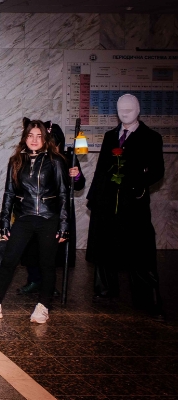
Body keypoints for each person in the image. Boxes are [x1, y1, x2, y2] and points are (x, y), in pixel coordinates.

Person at [0, 119, 68, 324]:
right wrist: (5, 222)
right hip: (24, 217)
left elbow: (62, 194)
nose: (34, 140)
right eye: (30, 135)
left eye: (39, 136)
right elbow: (9, 193)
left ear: (45, 138)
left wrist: (64, 224)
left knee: (47, 264)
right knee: (8, 260)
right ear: (25, 137)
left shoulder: (55, 160)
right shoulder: (16, 161)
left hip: (48, 218)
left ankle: (43, 306)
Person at [86, 94, 165, 320]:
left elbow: (158, 171)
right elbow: (101, 168)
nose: (125, 113)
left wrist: (137, 181)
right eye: (121, 110)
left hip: (134, 201)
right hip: (107, 201)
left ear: (138, 110)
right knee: (105, 245)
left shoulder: (151, 137)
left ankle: (147, 299)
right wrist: (94, 197)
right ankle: (105, 290)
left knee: (140, 249)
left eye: (129, 110)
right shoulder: (111, 136)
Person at [17, 121, 84, 295]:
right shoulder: (31, 157)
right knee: (32, 249)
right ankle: (34, 280)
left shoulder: (66, 158)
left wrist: (76, 176)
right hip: (34, 209)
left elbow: (79, 184)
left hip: (57, 211)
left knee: (51, 252)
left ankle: (49, 285)